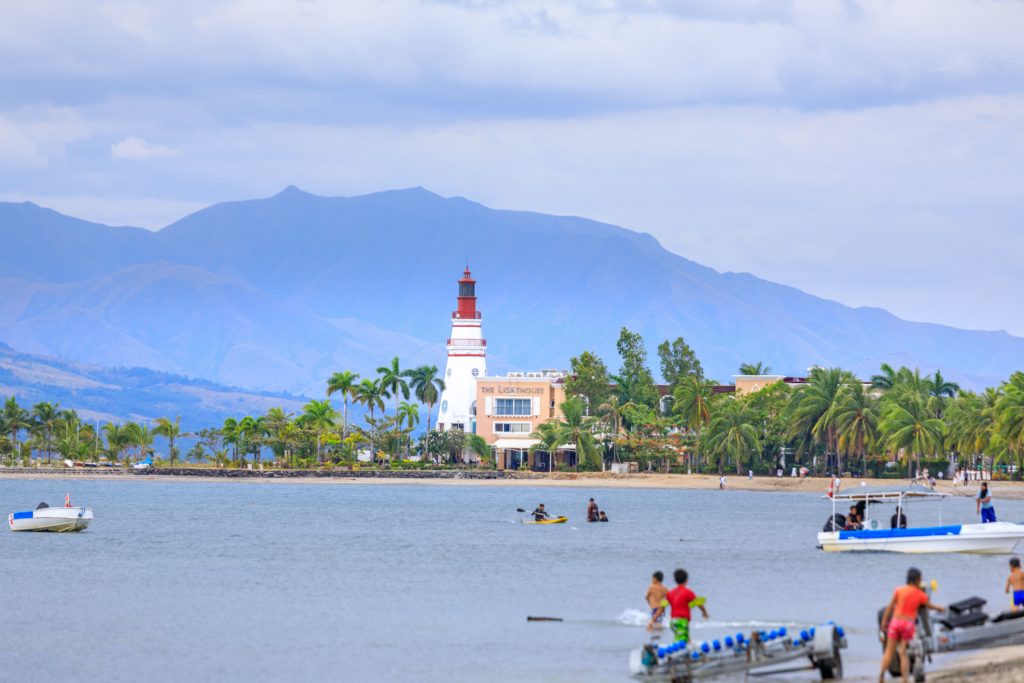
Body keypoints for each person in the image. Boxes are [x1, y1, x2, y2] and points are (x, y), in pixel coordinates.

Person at [879, 567, 944, 683]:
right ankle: (904, 679)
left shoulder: (899, 591)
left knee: (889, 651)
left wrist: (884, 621)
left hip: (895, 622)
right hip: (907, 624)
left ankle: (881, 675)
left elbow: (890, 607)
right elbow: (929, 606)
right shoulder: (920, 594)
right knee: (903, 653)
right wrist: (939, 608)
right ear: (918, 580)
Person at [651, 568, 709, 643]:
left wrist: (652, 620)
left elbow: (661, 608)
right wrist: (704, 612)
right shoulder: (688, 592)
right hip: (682, 622)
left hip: (673, 622)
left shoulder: (670, 593)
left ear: (675, 581)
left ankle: (687, 648)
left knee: (685, 638)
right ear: (687, 581)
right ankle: (673, 652)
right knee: (681, 641)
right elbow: (699, 604)